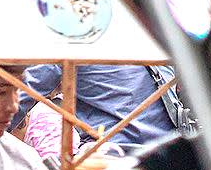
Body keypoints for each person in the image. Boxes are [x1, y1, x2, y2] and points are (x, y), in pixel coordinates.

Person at [22, 62, 185, 151]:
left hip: (113, 163)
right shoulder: (158, 33)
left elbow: (23, 92)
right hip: (173, 161)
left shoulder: (76, 33)